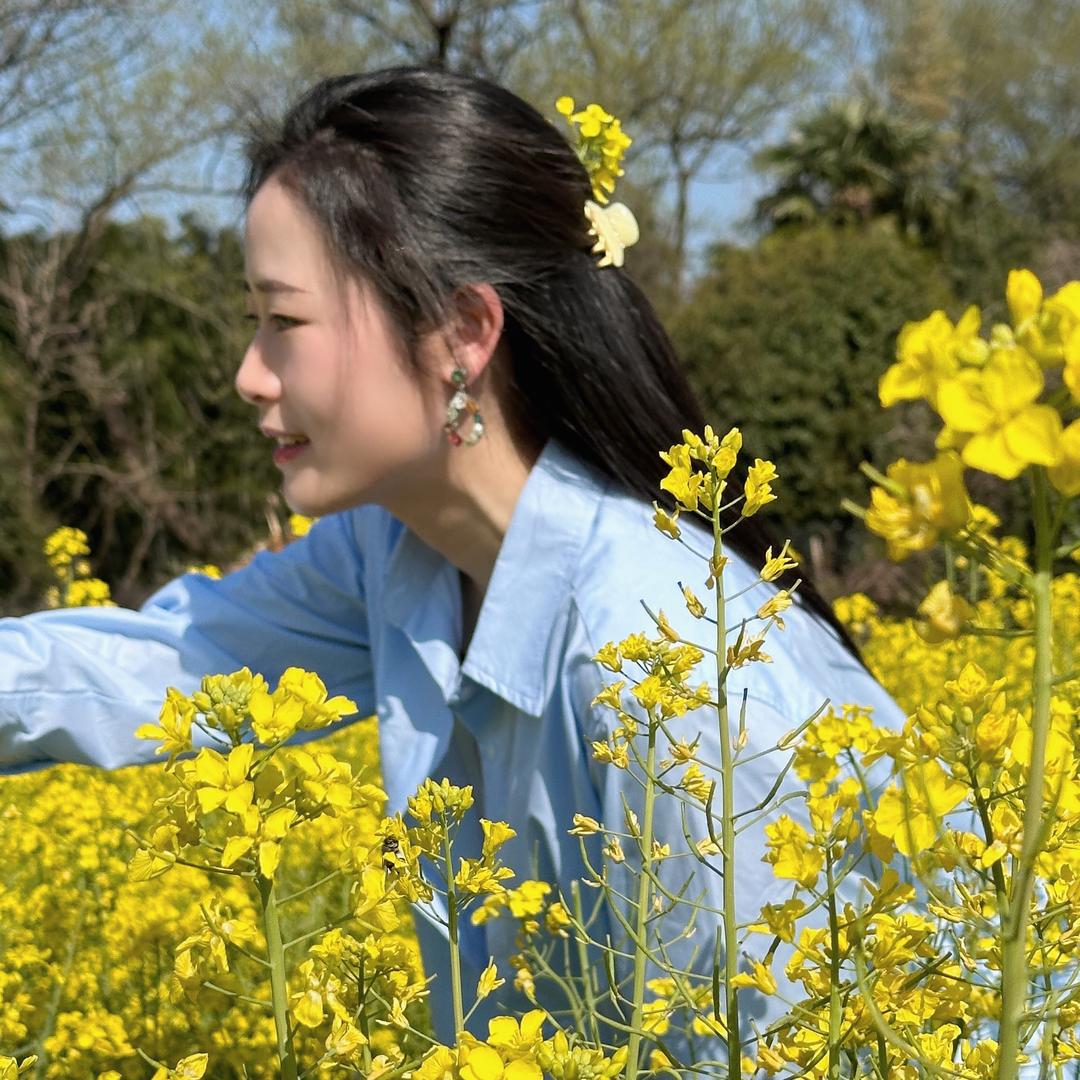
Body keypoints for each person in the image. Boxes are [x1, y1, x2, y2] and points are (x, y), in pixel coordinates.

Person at [0, 67, 905, 1058]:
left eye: (284, 321)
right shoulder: (395, 552)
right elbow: (175, 666)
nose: (247, 374)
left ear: (462, 334)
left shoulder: (668, 673)